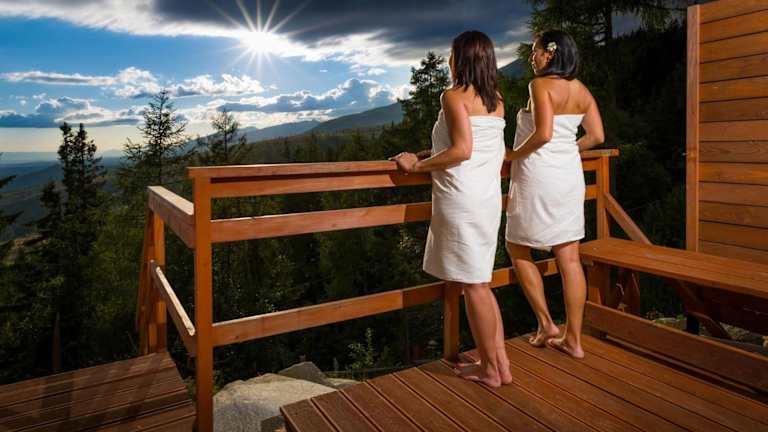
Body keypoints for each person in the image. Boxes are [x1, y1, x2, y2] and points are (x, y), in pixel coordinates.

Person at [391, 30, 510, 387]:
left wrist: (416, 166)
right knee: (480, 282)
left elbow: (462, 150)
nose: (448, 59)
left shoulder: (453, 96)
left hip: (462, 197)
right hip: (486, 197)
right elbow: (474, 144)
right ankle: (499, 364)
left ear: (461, 58)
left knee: (473, 286)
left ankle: (491, 371)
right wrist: (428, 153)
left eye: (452, 53)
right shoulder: (496, 100)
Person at [505, 29, 605, 359]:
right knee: (569, 258)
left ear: (550, 53)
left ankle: (547, 324)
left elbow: (543, 133)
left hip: (539, 176)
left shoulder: (540, 85)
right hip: (568, 177)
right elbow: (597, 136)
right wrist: (569, 148)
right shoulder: (581, 90)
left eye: (534, 51)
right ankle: (573, 339)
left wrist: (513, 154)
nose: (531, 57)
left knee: (516, 245)